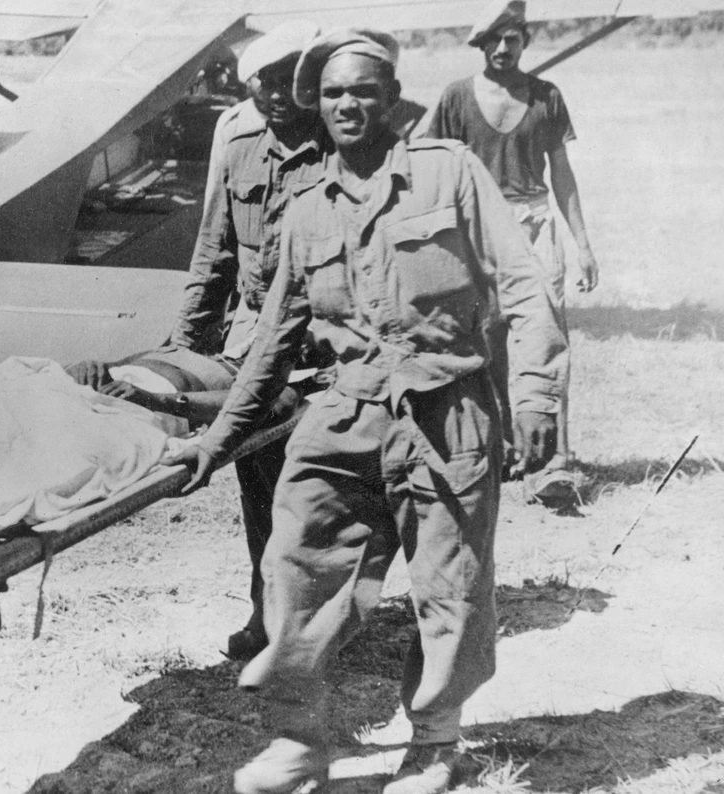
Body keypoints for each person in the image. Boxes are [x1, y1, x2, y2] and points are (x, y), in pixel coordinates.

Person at [166, 28, 566, 794]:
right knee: (293, 567)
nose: (349, 104)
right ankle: (298, 739)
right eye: (334, 93)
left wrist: (538, 392)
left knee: (450, 585)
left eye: (365, 90)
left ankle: (435, 742)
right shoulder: (306, 206)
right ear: (315, 104)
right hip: (346, 413)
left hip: (447, 414)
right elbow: (274, 342)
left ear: (390, 98)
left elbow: (524, 287)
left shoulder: (448, 173)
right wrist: (216, 441)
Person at [74, 19, 328, 663]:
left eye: (288, 80)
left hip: (321, 351)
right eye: (263, 81)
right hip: (249, 346)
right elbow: (213, 253)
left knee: (318, 486)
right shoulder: (240, 142)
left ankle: (313, 616)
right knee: (259, 483)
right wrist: (185, 348)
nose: (276, 94)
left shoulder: (338, 149)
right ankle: (266, 609)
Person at [423, 0, 599, 500]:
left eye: (513, 38)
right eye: (494, 40)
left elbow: (561, 173)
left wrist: (582, 244)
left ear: (525, 40)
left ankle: (555, 460)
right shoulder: (456, 98)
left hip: (535, 223)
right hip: (477, 229)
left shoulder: (546, 97)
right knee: (486, 339)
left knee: (546, 336)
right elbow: (431, 162)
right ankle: (504, 448)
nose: (504, 48)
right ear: (479, 44)